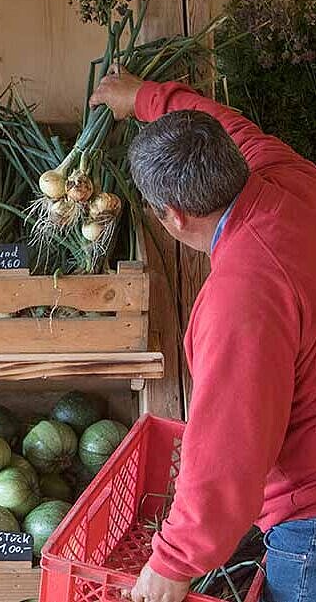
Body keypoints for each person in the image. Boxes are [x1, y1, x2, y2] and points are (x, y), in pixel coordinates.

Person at [89, 67, 316, 602]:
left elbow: (227, 449)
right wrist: (145, 98)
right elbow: (227, 124)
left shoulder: (242, 295)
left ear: (172, 216)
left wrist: (172, 562)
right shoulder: (286, 177)